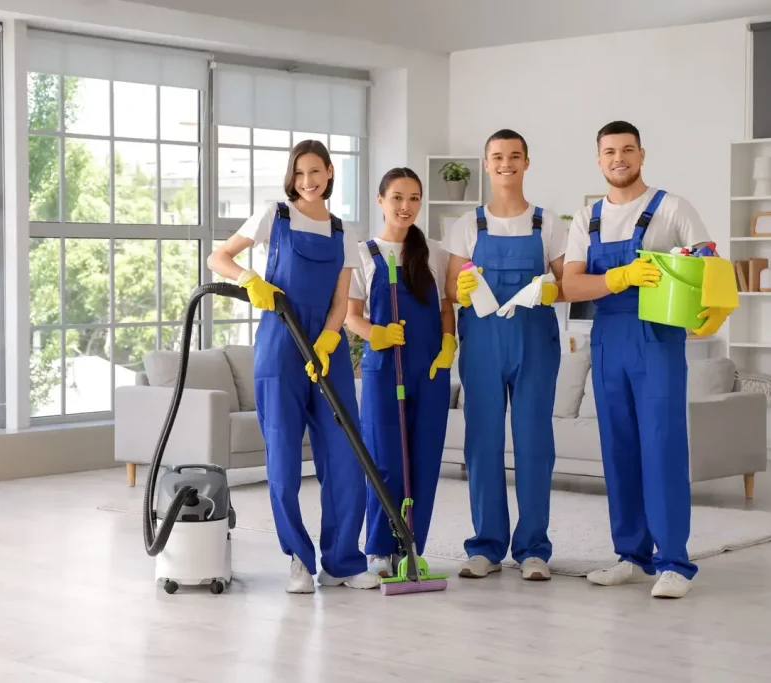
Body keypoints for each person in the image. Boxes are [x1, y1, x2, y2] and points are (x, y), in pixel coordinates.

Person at [561, 120, 730, 599]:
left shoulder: (672, 208)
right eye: (609, 151)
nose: (619, 158)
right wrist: (617, 279)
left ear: (642, 155)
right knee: (619, 448)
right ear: (598, 159)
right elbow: (571, 285)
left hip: (657, 338)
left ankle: (673, 562)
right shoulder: (586, 216)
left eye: (627, 150)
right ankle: (631, 556)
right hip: (607, 338)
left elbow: (707, 262)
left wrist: (709, 308)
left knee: (662, 445)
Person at [207, 139, 380, 593]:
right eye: (300, 173)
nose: (308, 181)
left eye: (316, 172)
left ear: (329, 173)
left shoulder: (344, 231)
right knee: (283, 457)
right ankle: (299, 560)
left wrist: (327, 338)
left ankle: (343, 560)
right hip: (280, 344)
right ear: (292, 176)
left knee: (345, 454)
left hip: (327, 347)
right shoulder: (275, 215)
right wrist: (248, 279)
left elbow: (343, 299)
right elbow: (218, 257)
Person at [444, 129, 566, 582]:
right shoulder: (466, 224)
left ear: (526, 163)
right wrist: (459, 287)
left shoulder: (547, 223)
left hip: (535, 341)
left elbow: (566, 282)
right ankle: (486, 546)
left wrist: (551, 288)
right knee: (482, 444)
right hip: (482, 342)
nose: (505, 163)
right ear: (486, 163)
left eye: (514, 156)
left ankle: (533, 548)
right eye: (497, 157)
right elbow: (450, 288)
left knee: (535, 444)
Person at [345, 167, 456, 578]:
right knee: (385, 460)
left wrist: (449, 343)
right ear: (380, 200)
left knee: (424, 461)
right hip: (382, 370)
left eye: (413, 198)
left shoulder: (436, 253)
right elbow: (350, 316)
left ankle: (410, 548)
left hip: (428, 369)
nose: (405, 206)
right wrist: (375, 333)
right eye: (397, 197)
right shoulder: (362, 254)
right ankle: (377, 549)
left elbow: (447, 305)